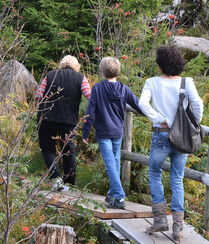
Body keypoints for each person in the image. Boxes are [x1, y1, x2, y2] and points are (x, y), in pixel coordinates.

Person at [137, 46, 203, 240]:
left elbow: (142, 104)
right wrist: (193, 123)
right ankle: (177, 228)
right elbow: (198, 104)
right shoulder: (186, 81)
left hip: (161, 134)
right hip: (181, 136)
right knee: (177, 179)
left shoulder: (152, 82)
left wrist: (158, 118)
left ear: (160, 64)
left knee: (155, 173)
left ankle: (159, 221)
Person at [82, 57, 143, 209]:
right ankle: (112, 196)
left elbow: (91, 111)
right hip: (117, 131)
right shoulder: (124, 89)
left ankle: (120, 196)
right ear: (118, 71)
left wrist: (85, 132)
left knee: (110, 163)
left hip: (103, 131)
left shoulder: (97, 88)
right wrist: (154, 115)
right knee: (114, 162)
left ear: (102, 71)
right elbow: (139, 105)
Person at [35, 55, 91, 192]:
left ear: (61, 64)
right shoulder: (81, 78)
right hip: (68, 120)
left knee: (48, 149)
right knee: (68, 150)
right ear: (76, 66)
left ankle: (56, 179)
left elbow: (38, 95)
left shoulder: (50, 75)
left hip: (46, 118)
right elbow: (90, 96)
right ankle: (69, 184)